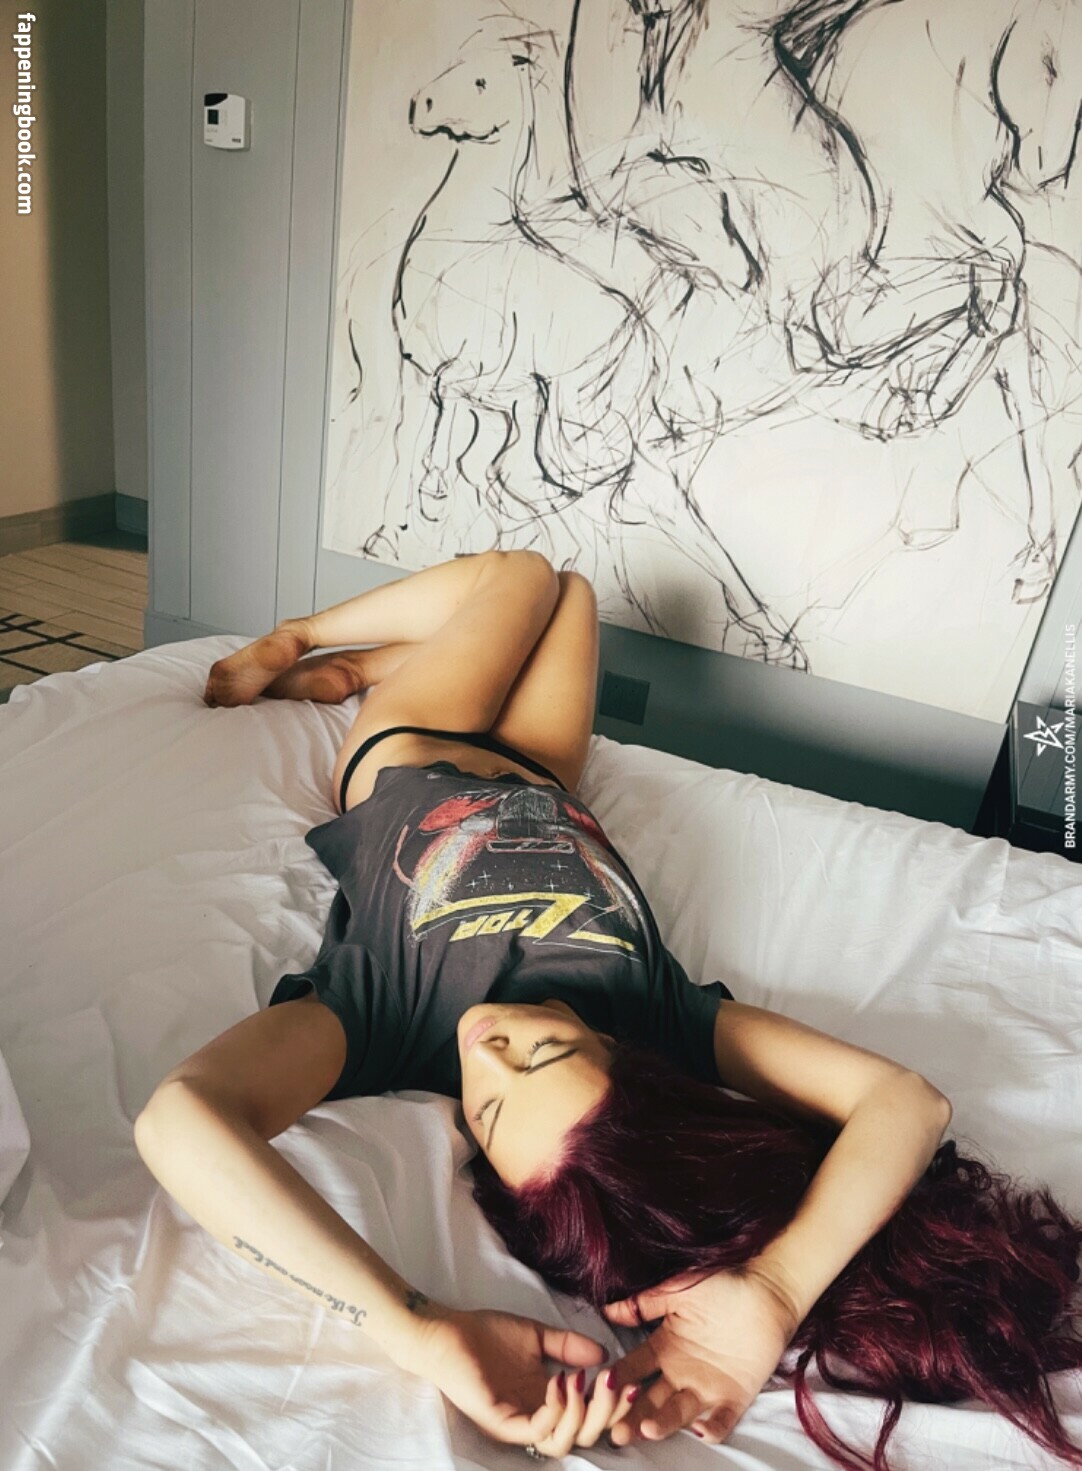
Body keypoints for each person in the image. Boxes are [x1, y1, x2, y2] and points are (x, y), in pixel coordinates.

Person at [135, 550, 1082, 1467]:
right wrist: (773, 1289)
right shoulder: (658, 1013)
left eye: (486, 1108)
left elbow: (180, 1118)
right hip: (548, 778)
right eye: (543, 1055)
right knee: (565, 588)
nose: (484, 1045)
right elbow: (907, 1102)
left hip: (414, 754)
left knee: (529, 579)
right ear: (614, 1049)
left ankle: (340, 663)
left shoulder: (383, 1012)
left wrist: (416, 1328)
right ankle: (320, 642)